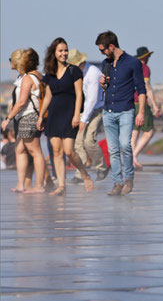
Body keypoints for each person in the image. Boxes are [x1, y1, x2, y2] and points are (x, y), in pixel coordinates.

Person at [37, 38, 94, 196]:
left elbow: (79, 95)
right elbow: (48, 96)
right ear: (54, 53)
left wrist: (77, 114)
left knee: (69, 151)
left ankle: (84, 174)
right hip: (54, 114)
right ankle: (61, 186)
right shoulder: (50, 73)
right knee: (56, 151)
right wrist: (41, 116)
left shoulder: (74, 70)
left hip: (70, 113)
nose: (64, 53)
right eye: (60, 51)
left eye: (65, 50)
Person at [95, 30, 147, 196]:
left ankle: (129, 179)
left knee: (125, 145)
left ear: (111, 46)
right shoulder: (106, 64)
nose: (102, 53)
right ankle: (117, 182)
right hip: (108, 111)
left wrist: (141, 113)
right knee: (113, 150)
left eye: (102, 50)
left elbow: (141, 89)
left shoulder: (133, 63)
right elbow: (108, 87)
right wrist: (103, 84)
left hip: (126, 110)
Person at [1, 48, 48, 193]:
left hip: (29, 117)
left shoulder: (28, 78)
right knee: (20, 149)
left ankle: (39, 185)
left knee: (35, 151)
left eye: (12, 60)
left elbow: (22, 102)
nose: (10, 62)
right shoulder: (33, 76)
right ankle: (22, 184)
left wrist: (7, 119)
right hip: (26, 117)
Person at [67, 49, 109, 184]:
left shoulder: (93, 73)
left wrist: (83, 120)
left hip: (96, 109)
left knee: (89, 140)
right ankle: (80, 174)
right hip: (82, 109)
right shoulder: (74, 71)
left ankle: (102, 167)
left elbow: (92, 99)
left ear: (82, 62)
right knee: (77, 142)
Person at [131, 46, 161, 170]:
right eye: (148, 56)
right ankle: (134, 156)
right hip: (140, 102)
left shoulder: (131, 66)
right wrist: (155, 106)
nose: (149, 58)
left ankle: (130, 159)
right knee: (149, 131)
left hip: (129, 103)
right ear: (145, 57)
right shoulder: (144, 68)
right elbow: (147, 86)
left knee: (134, 131)